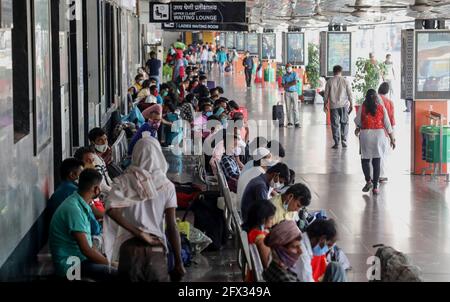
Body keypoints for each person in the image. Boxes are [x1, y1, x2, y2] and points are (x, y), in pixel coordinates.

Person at [104, 137, 186, 282]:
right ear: (158, 155)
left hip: (129, 251)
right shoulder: (167, 186)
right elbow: (172, 226)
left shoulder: (123, 182)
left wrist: (139, 233)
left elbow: (111, 209)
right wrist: (179, 262)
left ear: (135, 155)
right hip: (155, 250)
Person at [49, 169, 117, 281]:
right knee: (118, 273)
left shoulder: (80, 202)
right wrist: (111, 264)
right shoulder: (74, 209)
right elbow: (86, 250)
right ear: (96, 189)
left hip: (81, 259)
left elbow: (89, 246)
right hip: (70, 266)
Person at [355, 89, 395, 195]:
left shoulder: (363, 107)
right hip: (379, 135)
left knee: (365, 160)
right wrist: (392, 139)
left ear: (366, 97)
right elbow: (387, 124)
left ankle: (368, 181)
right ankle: (376, 187)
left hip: (366, 135)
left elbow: (358, 121)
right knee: (376, 161)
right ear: (376, 97)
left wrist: (358, 128)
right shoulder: (381, 107)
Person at [324, 65, 354, 149]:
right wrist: (351, 104)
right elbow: (350, 94)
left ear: (333, 72)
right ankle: (344, 140)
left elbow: (326, 94)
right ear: (341, 71)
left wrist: (325, 104)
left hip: (333, 106)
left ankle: (337, 142)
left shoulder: (329, 81)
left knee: (335, 124)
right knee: (344, 123)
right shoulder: (345, 81)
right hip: (344, 105)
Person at [243, 200, 276, 269]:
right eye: (271, 218)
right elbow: (268, 265)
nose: (272, 222)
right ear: (263, 219)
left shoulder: (251, 230)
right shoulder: (260, 239)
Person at [378, 82, 396, 183]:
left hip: (371, 130)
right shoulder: (389, 102)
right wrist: (393, 137)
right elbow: (392, 120)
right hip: (385, 132)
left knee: (373, 154)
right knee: (383, 154)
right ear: (387, 91)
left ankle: (372, 175)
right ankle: (381, 175)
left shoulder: (372, 100)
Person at [282, 63, 301, 128]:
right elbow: (283, 86)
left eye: (289, 67)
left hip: (294, 93)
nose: (289, 69)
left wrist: (287, 84)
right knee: (288, 108)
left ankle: (297, 122)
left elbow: (295, 82)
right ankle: (290, 122)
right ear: (286, 69)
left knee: (295, 108)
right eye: (287, 68)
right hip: (287, 93)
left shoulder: (295, 74)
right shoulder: (284, 76)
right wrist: (290, 83)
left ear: (291, 68)